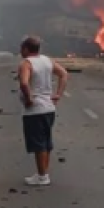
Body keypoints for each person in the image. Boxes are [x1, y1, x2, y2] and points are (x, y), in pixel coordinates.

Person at [18, 35, 68, 186]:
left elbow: (24, 83)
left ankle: (42, 176)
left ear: (26, 49)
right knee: (46, 142)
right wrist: (58, 94)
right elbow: (64, 74)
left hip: (35, 110)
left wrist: (28, 99)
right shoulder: (47, 60)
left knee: (38, 144)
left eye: (22, 48)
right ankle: (43, 172)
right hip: (49, 108)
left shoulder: (26, 63)